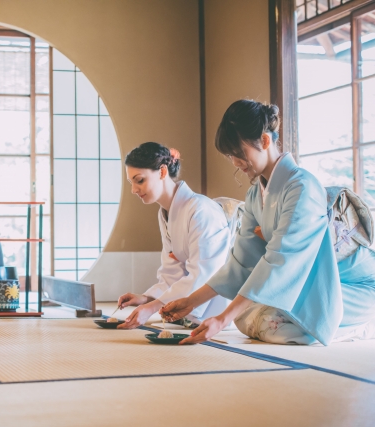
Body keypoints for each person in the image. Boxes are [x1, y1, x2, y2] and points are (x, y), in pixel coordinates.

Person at [162, 100, 375, 345]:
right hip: (308, 280)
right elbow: (241, 262)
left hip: (353, 285)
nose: (235, 163)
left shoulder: (303, 187)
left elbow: (280, 259)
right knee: (245, 317)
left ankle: (363, 325)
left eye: (239, 154)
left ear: (264, 141)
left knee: (265, 321)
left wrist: (221, 320)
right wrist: (191, 302)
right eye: (231, 156)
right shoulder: (256, 195)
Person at [116, 142, 231, 329]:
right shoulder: (165, 213)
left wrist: (152, 307)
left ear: (162, 172)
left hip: (217, 307)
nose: (134, 190)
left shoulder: (201, 210)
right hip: (190, 309)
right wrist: (146, 299)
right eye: (132, 183)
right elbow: (172, 271)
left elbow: (204, 274)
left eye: (139, 180)